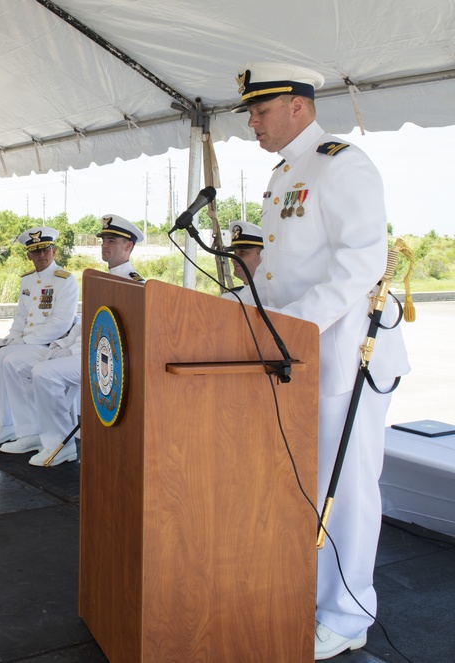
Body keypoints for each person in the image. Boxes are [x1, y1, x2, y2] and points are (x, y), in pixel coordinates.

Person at [235, 61, 410, 660]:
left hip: (345, 355)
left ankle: (348, 612)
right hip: (297, 352)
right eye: (251, 112)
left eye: (260, 111)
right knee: (304, 480)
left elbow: (360, 262)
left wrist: (291, 326)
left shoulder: (342, 163)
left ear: (298, 108)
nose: (253, 122)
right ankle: (309, 591)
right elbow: (282, 272)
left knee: (349, 485)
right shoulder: (285, 174)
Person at [0, 215, 144, 465]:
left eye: (112, 240)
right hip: (78, 350)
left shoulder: (134, 285)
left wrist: (73, 350)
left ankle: (59, 444)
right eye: (103, 240)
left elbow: (123, 334)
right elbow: (86, 322)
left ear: (128, 246)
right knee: (14, 362)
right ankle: (30, 432)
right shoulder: (99, 279)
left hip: (110, 360)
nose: (104, 245)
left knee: (45, 373)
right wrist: (62, 345)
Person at [0, 227, 79, 444]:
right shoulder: (27, 280)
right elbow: (21, 316)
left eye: (46, 250)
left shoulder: (65, 280)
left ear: (54, 251)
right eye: (36, 251)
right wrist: (12, 337)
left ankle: (7, 423)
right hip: (21, 342)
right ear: (28, 255)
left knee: (4, 356)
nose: (42, 256)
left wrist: (24, 341)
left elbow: (60, 323)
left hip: (47, 346)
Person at [220, 220, 263, 302]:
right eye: (235, 252)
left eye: (243, 252)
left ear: (263, 255)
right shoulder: (229, 298)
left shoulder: (274, 299)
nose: (233, 259)